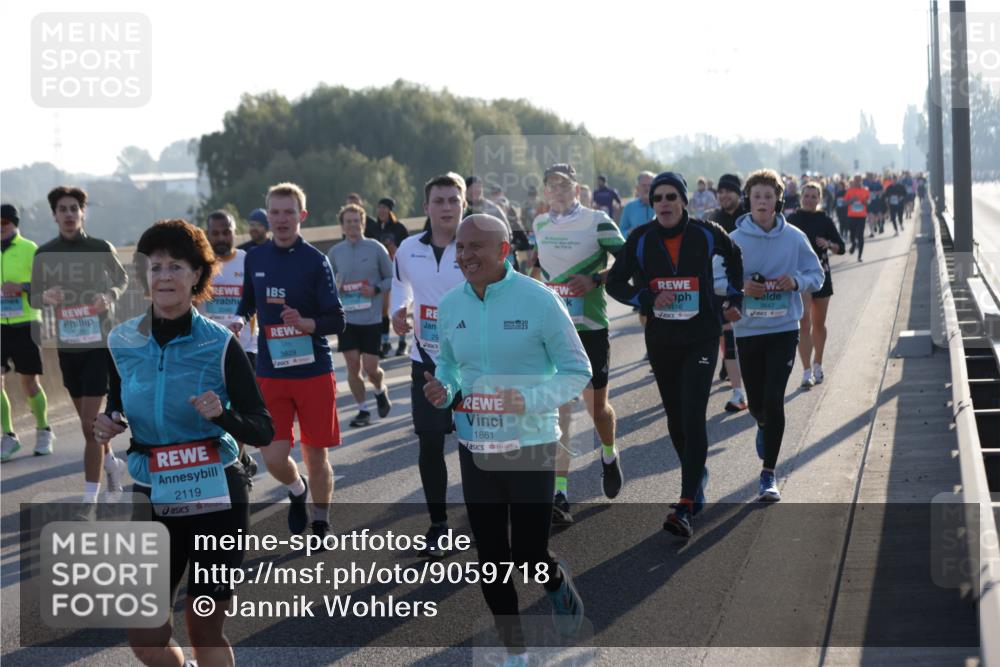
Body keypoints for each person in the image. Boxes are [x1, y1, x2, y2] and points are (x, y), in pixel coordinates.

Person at [97, 218, 273, 667]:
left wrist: (224, 415)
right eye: (155, 268)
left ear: (197, 275)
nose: (165, 276)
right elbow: (118, 401)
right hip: (154, 492)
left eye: (176, 266)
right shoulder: (122, 341)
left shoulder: (219, 343)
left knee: (203, 624)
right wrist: (109, 422)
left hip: (216, 492)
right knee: (145, 634)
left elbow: (262, 427)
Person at [424, 214, 590, 663]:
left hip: (531, 444)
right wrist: (445, 389)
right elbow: (450, 367)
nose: (464, 255)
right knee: (492, 555)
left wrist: (531, 399)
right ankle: (515, 651)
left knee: (530, 554)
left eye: (475, 247)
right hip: (476, 446)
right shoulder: (451, 304)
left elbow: (579, 370)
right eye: (460, 247)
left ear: (503, 251)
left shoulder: (538, 301)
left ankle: (555, 583)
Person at [606, 172, 744, 537]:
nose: (664, 204)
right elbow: (615, 282)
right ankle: (696, 477)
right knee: (676, 419)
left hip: (701, 336)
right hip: (662, 339)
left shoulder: (707, 231)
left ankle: (685, 503)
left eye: (671, 197)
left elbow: (735, 256)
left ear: (683, 200)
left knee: (693, 413)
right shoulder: (640, 239)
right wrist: (649, 298)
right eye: (657, 199)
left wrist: (733, 298)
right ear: (652, 205)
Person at [233, 182, 346, 540]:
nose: (281, 220)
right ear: (268, 216)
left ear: (302, 216)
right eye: (275, 213)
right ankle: (297, 490)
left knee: (316, 455)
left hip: (313, 371)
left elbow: (336, 319)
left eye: (289, 212)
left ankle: (321, 520)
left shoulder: (316, 261)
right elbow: (248, 301)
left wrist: (307, 323)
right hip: (271, 372)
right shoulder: (255, 257)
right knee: (273, 456)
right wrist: (239, 319)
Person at [532, 163, 625, 525]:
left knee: (597, 410)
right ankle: (560, 493)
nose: (557, 190)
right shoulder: (540, 225)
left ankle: (608, 453)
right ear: (545, 192)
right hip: (553, 330)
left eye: (564, 185)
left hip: (591, 328)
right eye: (551, 185)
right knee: (558, 411)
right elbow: (537, 269)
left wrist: (597, 278)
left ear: (577, 189)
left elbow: (631, 259)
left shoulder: (597, 221)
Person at [31, 186, 130, 504]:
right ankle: (112, 464)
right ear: (54, 215)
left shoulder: (101, 247)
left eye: (75, 208)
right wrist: (45, 297)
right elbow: (34, 294)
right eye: (63, 209)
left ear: (83, 212)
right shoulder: (44, 254)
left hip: (99, 346)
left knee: (90, 428)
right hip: (68, 347)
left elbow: (121, 279)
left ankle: (90, 499)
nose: (69, 214)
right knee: (90, 426)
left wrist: (109, 295)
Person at [731, 169, 824, 502]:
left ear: (778, 201)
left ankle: (768, 474)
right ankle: (761, 423)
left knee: (774, 398)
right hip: (748, 330)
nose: (762, 202)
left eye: (768, 196)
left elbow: (817, 274)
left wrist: (796, 282)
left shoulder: (795, 237)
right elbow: (715, 280)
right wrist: (741, 288)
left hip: (784, 328)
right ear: (748, 200)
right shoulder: (735, 240)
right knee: (757, 404)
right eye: (756, 196)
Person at [391, 173, 468, 557]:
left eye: (454, 200)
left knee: (477, 445)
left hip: (473, 363)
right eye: (439, 201)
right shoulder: (407, 249)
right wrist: (397, 311)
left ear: (464, 204)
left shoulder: (475, 246)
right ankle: (439, 525)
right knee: (431, 442)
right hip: (426, 362)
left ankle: (486, 515)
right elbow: (400, 286)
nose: (447, 207)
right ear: (426, 207)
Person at [199, 210, 261, 478]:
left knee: (238, 410)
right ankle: (240, 456)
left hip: (244, 348)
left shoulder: (248, 261)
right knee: (213, 410)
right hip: (207, 349)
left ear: (236, 232)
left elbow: (258, 301)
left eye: (227, 232)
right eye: (216, 233)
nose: (222, 237)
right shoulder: (198, 264)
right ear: (208, 234)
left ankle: (235, 464)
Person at [327, 203, 393, 427]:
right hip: (347, 319)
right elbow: (328, 284)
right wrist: (338, 288)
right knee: (353, 365)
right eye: (348, 222)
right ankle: (362, 410)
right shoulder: (335, 253)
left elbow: (392, 278)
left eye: (357, 221)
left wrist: (374, 289)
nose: (353, 225)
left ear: (363, 223)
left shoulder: (375, 248)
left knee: (371, 369)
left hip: (371, 318)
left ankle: (379, 389)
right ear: (343, 226)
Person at [1, 203, 52, 461]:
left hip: (26, 323)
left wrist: (20, 286)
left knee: (28, 381)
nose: (1, 227)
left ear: (14, 223)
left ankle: (43, 429)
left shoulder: (29, 248)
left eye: (4, 222)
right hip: (0, 325)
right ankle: (8, 436)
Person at [787, 182, 845, 387]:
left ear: (819, 199)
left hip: (821, 275)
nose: (810, 199)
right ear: (801, 197)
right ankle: (805, 371)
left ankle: (818, 364)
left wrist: (828, 244)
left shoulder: (824, 220)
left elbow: (841, 248)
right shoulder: (791, 220)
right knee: (804, 322)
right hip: (800, 276)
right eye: (806, 196)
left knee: (818, 324)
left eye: (814, 196)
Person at [706, 173, 748, 411]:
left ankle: (749, 384)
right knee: (729, 338)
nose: (723, 195)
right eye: (720, 191)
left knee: (746, 342)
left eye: (728, 191)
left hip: (750, 288)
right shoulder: (714, 220)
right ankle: (738, 392)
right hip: (723, 289)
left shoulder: (748, 218)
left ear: (738, 193)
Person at [364, 197, 410, 358]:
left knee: (400, 308)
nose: (381, 211)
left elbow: (407, 249)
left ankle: (403, 342)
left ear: (390, 210)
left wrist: (394, 249)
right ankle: (385, 343)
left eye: (384, 208)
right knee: (383, 310)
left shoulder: (399, 228)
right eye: (379, 208)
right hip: (381, 275)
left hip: (399, 272)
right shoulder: (373, 229)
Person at [618, 171, 655, 239]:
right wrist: (630, 233)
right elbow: (620, 232)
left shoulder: (661, 205)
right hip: (636, 247)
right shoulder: (629, 207)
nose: (647, 188)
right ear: (637, 188)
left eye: (650, 185)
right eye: (644, 185)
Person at [844, 175, 870, 262]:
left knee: (860, 235)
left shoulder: (865, 190)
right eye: (856, 180)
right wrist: (851, 200)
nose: (857, 182)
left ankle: (860, 256)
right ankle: (854, 244)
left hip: (861, 216)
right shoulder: (850, 191)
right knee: (852, 234)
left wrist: (864, 201)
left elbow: (868, 202)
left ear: (861, 181)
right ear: (854, 181)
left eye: (859, 180)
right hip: (851, 216)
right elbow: (845, 203)